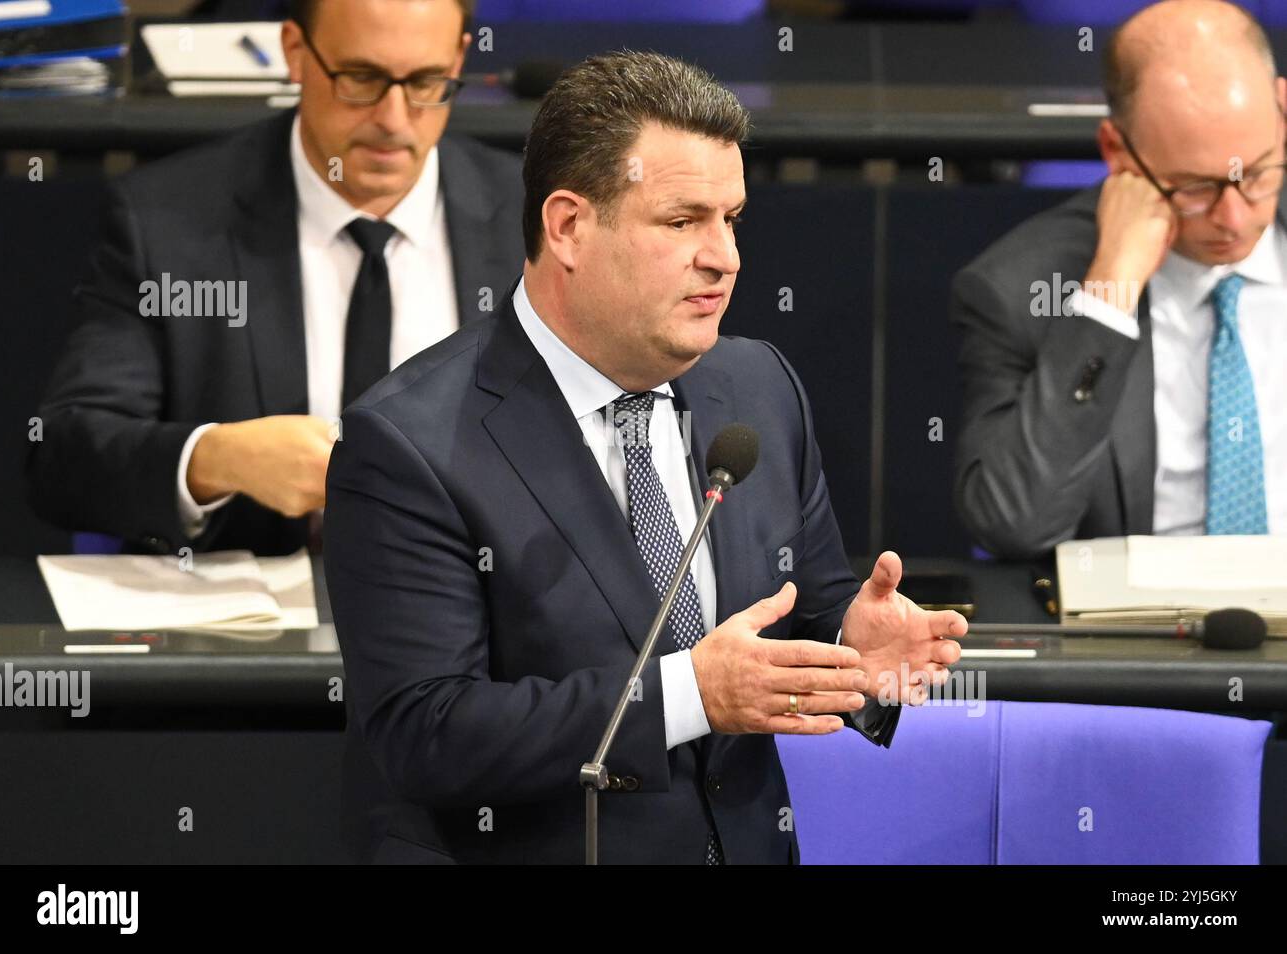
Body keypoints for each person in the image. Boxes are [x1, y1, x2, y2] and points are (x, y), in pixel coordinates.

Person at [325, 50, 966, 865]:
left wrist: (853, 648)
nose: (724, 257)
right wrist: (687, 695)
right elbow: (427, 732)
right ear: (568, 227)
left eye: (731, 219)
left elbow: (802, 610)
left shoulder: (758, 387)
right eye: (681, 221)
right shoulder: (410, 443)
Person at [28, 0, 523, 556]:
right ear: (295, 53)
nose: (393, 117)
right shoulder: (167, 220)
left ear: (459, 56)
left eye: (427, 82)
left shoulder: (537, 223)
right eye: (360, 78)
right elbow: (64, 458)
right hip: (247, 624)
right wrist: (216, 459)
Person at [953, 0, 1287, 559]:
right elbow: (1012, 523)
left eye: (1255, 174)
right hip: (1152, 630)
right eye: (1194, 187)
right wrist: (1109, 297)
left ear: (1282, 110)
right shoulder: (1019, 287)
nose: (1233, 218)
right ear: (1118, 152)